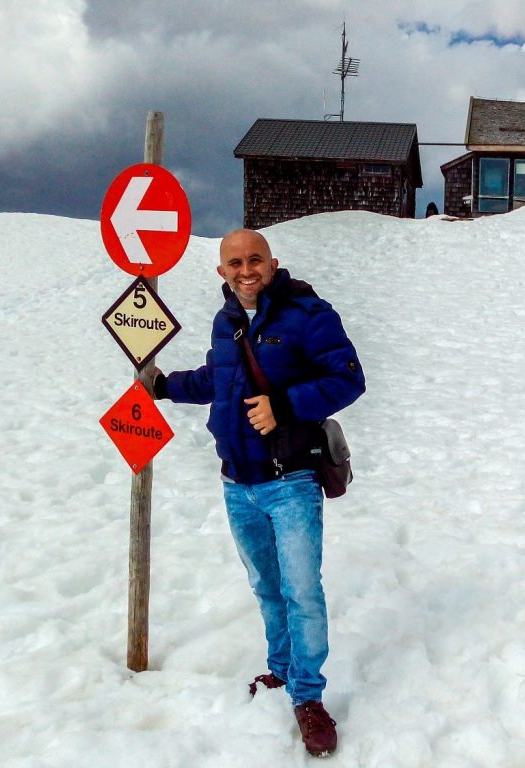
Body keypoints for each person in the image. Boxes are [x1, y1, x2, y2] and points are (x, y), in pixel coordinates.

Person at [153, 228, 365, 757]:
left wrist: (286, 405)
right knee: (268, 588)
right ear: (221, 272)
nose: (246, 271)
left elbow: (349, 378)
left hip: (290, 481)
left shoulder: (308, 314)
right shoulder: (227, 324)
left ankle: (309, 699)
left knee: (301, 592)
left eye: (255, 260)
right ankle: (281, 670)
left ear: (272, 264)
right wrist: (163, 385)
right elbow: (217, 381)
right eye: (234, 263)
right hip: (237, 483)